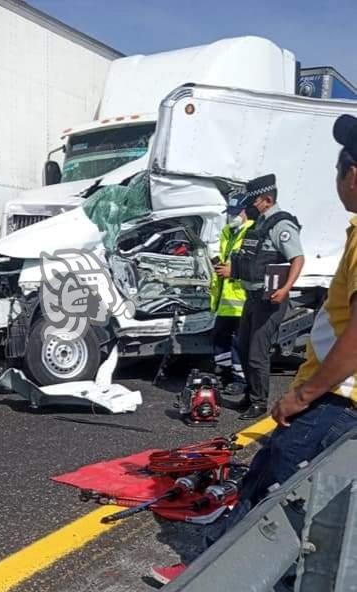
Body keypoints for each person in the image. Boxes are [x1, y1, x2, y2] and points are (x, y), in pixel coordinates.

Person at [150, 114, 357, 586]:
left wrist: (302, 397)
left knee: (269, 501)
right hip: (337, 400)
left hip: (335, 401)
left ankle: (206, 576)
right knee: (300, 505)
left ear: (353, 173)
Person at [224, 173, 305, 419]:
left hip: (269, 299)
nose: (251, 206)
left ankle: (259, 402)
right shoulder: (259, 223)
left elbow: (298, 258)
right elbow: (254, 260)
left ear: (267, 200)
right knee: (245, 346)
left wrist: (285, 289)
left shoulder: (281, 225)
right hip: (253, 297)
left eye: (255, 201)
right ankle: (250, 395)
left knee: (258, 352)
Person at [211, 193, 254, 389]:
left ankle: (240, 379)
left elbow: (254, 266)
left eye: (236, 212)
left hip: (242, 298)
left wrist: (232, 271)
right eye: (230, 212)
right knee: (220, 338)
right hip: (225, 299)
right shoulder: (228, 231)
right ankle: (223, 373)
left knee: (239, 342)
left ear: (245, 211)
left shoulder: (252, 232)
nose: (232, 216)